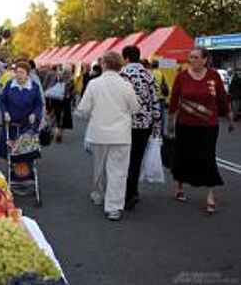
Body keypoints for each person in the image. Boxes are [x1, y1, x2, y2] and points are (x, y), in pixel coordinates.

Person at [167, 48, 234, 214]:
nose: (192, 60)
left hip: (208, 126)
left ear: (205, 59)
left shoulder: (213, 76)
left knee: (207, 158)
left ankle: (210, 196)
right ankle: (180, 186)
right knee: (183, 155)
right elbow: (174, 99)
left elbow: (222, 99)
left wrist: (230, 118)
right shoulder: (182, 76)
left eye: (196, 57)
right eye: (191, 57)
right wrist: (170, 122)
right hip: (185, 124)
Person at [77, 52, 140, 221]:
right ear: (121, 65)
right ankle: (113, 207)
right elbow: (135, 108)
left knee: (100, 167)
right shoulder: (126, 85)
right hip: (121, 134)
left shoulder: (94, 84)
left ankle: (99, 193)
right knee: (118, 171)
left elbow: (83, 109)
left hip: (99, 133)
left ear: (103, 64)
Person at [120, 45, 161, 210]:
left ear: (126, 57)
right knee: (136, 160)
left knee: (123, 159)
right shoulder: (148, 74)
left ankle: (125, 193)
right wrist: (157, 123)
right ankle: (134, 191)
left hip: (125, 123)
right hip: (144, 124)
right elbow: (155, 100)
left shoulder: (122, 74)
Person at [0, 61, 43, 180]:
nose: (18, 75)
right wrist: (5, 112)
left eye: (21, 72)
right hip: (11, 124)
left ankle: (27, 175)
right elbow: (2, 101)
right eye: (17, 72)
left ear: (27, 74)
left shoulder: (34, 87)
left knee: (26, 151)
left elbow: (39, 104)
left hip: (28, 125)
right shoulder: (9, 85)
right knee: (12, 151)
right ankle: (14, 174)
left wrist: (34, 114)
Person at [47, 66, 75, 143]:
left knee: (56, 116)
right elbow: (72, 92)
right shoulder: (71, 80)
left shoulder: (57, 77)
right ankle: (59, 134)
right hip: (65, 101)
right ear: (70, 71)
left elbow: (50, 87)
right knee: (64, 119)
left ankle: (56, 131)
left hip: (56, 100)